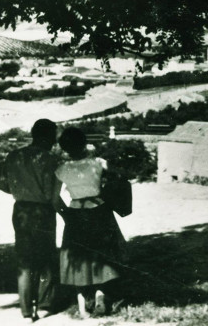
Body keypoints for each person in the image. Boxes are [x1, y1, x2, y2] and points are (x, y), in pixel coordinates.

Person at [0, 118, 64, 322]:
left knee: (25, 260)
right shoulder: (50, 160)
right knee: (45, 258)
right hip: (42, 212)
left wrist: (20, 190)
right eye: (54, 136)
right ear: (47, 136)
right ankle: (44, 305)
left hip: (20, 210)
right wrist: (68, 214)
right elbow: (52, 196)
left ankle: (27, 311)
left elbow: (2, 184)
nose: (55, 141)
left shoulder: (14, 156)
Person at [55, 128, 125, 318]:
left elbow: (54, 197)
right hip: (100, 210)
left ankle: (83, 306)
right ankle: (100, 294)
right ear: (84, 143)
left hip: (76, 213)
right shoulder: (99, 163)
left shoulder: (62, 169)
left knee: (77, 256)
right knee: (102, 254)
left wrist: (66, 213)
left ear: (65, 148)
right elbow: (117, 182)